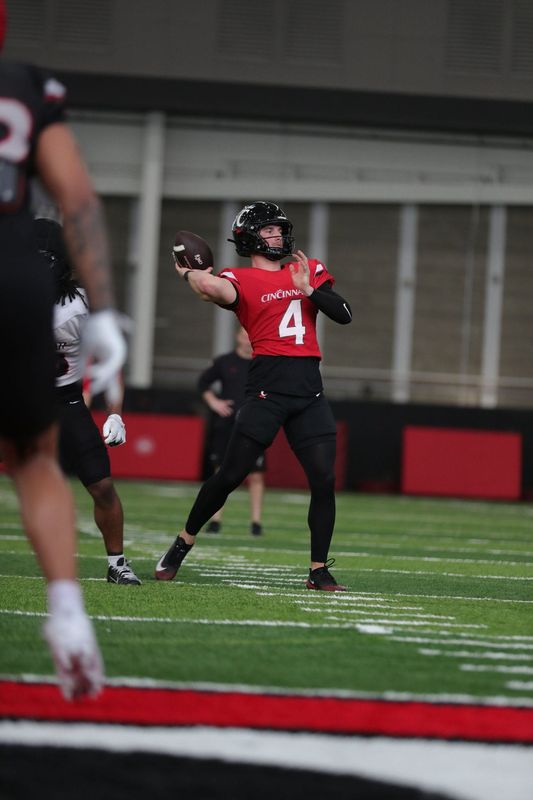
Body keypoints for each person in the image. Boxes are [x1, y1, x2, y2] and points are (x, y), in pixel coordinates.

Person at [0, 1, 127, 698]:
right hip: (13, 273)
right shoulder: (25, 84)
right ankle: (68, 613)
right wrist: (103, 312)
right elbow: (76, 198)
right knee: (35, 459)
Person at [156, 201, 352, 591]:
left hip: (309, 390)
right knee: (230, 475)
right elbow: (211, 287)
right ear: (249, 238)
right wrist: (191, 274)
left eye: (279, 228)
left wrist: (309, 289)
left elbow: (344, 313)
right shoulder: (239, 278)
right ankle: (183, 542)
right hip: (267, 390)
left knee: (324, 479)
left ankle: (318, 569)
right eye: (267, 230)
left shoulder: (306, 268)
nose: (277, 234)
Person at [35, 218, 141, 585]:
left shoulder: (79, 307)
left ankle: (117, 563)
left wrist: (115, 415)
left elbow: (110, 363)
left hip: (64, 402)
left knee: (102, 485)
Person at [199, 326, 265, 537]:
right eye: (244, 335)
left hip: (254, 424)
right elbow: (203, 382)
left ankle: (256, 523)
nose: (247, 339)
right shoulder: (225, 361)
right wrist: (214, 402)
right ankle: (215, 520)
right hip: (227, 425)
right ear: (237, 337)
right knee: (221, 472)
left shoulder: (263, 362)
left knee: (255, 475)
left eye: (251, 335)